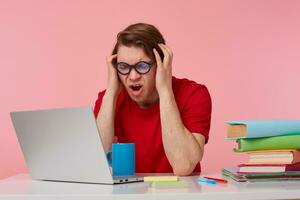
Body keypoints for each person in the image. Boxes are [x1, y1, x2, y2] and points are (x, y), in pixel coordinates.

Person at [94, 23, 212, 176]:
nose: (133, 76)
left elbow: (184, 166)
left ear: (161, 64)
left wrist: (165, 90)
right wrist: (111, 92)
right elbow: (96, 165)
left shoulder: (194, 94)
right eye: (123, 67)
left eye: (142, 66)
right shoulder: (108, 100)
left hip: (180, 194)